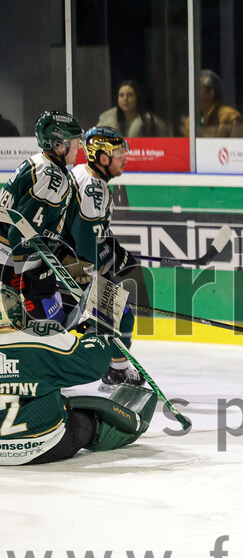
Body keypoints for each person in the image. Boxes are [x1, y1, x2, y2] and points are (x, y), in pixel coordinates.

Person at [0, 286, 158, 465]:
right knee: (86, 419)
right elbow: (93, 364)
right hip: (50, 448)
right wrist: (96, 330)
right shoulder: (40, 340)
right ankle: (133, 426)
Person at [64, 126, 143, 390]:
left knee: (118, 315)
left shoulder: (86, 177)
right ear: (102, 157)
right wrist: (110, 263)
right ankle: (114, 374)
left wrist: (116, 252)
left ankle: (115, 371)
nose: (125, 157)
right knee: (119, 315)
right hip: (71, 269)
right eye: (119, 153)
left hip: (68, 264)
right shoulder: (92, 189)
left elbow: (98, 234)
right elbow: (86, 242)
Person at [0, 111, 84, 322]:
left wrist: (61, 253)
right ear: (59, 145)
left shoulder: (40, 163)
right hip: (8, 263)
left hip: (10, 260)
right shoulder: (52, 178)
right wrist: (38, 273)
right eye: (75, 143)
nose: (79, 148)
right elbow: (20, 233)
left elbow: (37, 227)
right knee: (50, 326)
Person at [186, 69, 243, 138]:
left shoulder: (231, 117)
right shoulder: (191, 121)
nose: (193, 94)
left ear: (211, 93)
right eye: (192, 90)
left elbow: (241, 147)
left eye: (198, 89)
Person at [96, 80, 169, 138]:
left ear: (137, 98)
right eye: (121, 95)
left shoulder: (152, 123)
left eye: (130, 95)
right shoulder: (107, 122)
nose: (125, 99)